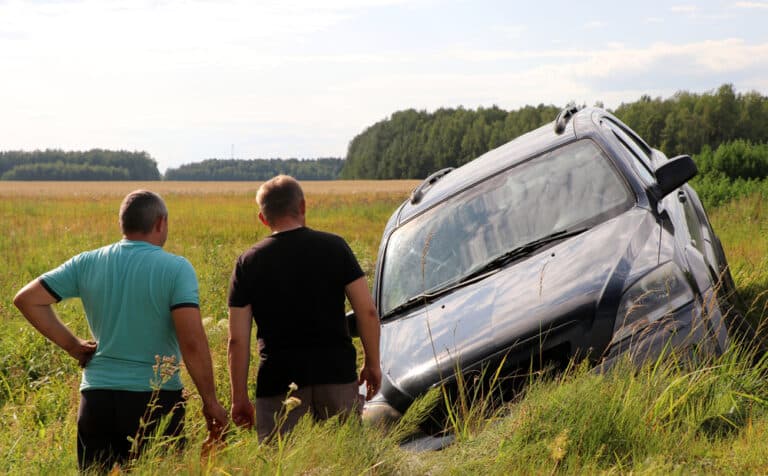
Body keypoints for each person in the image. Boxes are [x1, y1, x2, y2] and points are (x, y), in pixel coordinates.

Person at [13, 190, 228, 472]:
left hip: (97, 398)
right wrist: (210, 401)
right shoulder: (176, 268)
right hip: (155, 399)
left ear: (122, 224)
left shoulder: (87, 262)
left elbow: (27, 299)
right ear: (160, 222)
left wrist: (73, 346)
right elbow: (192, 342)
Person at [227, 175, 382, 441]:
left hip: (279, 384)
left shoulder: (248, 263)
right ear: (303, 206)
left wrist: (239, 397)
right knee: (345, 461)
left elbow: (237, 340)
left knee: (284, 464)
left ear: (263, 219)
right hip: (336, 375)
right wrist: (372, 363)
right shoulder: (335, 247)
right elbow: (367, 311)